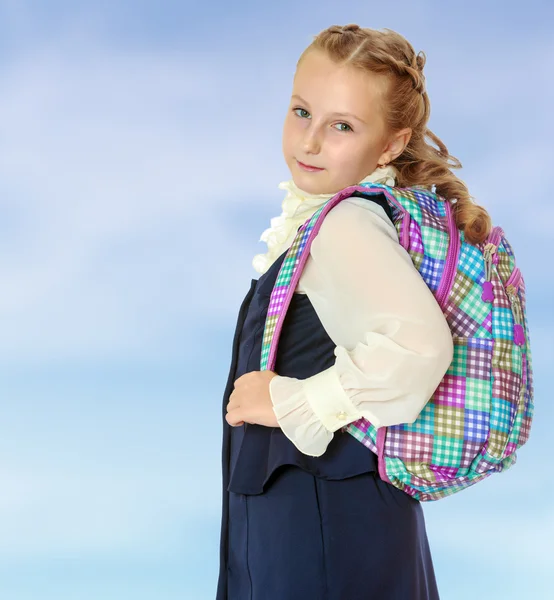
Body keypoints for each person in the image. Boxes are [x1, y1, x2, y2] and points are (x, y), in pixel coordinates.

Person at [216, 24, 492, 600]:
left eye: (342, 125)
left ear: (391, 145)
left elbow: (419, 346)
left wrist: (295, 400)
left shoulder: (345, 224)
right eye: (301, 112)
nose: (310, 141)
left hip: (322, 519)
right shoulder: (326, 221)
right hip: (313, 511)